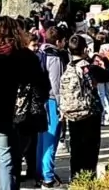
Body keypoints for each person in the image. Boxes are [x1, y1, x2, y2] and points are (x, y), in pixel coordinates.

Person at [0, 17, 49, 190]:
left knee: (5, 160)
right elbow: (43, 86)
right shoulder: (27, 57)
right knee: (15, 157)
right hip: (25, 116)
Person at [59, 35, 109, 179]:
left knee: (76, 150)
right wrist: (105, 60)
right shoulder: (91, 69)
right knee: (90, 151)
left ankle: (75, 180)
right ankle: (89, 181)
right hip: (90, 114)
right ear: (85, 49)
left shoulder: (68, 68)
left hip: (73, 114)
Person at [36, 27, 67, 189]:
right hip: (52, 100)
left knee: (42, 138)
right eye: (63, 40)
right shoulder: (54, 57)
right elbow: (56, 84)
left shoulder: (40, 52)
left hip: (41, 100)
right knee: (51, 138)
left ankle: (40, 172)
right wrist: (62, 105)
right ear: (58, 41)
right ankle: (48, 177)